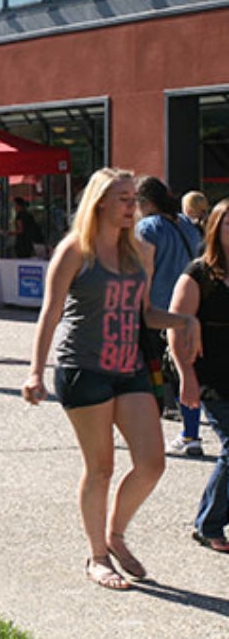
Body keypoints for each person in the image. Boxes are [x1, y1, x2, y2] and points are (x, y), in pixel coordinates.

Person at [22, 168, 197, 590]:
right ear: (99, 201)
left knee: (153, 462)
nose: (131, 208)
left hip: (130, 367)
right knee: (100, 467)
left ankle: (115, 535)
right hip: (84, 370)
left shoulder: (140, 252)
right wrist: (34, 371)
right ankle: (97, 556)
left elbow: (144, 315)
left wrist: (184, 319)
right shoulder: (75, 251)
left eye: (133, 200)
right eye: (123, 199)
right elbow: (51, 313)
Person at [169, 196, 229, 553]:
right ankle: (207, 524)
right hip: (212, 377)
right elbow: (176, 326)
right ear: (214, 229)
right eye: (228, 224)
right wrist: (186, 376)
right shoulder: (198, 274)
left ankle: (210, 519)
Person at [135, 176, 203, 456]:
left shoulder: (147, 228)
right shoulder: (187, 224)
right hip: (190, 306)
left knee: (151, 375)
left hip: (157, 309)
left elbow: (144, 271)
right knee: (186, 371)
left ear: (145, 203)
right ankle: (191, 434)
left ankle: (148, 435)